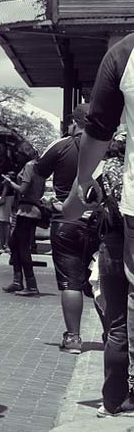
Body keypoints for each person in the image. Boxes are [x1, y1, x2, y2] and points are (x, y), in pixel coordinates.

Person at [65, 34, 134, 416]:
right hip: (120, 224)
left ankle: (114, 398)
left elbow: (97, 134)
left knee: (119, 319)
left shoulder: (124, 55)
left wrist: (80, 189)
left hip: (121, 224)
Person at [32, 104, 100, 353]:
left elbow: (36, 172)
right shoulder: (109, 147)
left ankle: (73, 338)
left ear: (75, 122)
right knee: (101, 281)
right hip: (99, 222)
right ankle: (112, 335)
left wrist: (42, 199)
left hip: (66, 221)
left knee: (71, 283)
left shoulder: (61, 146)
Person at [92, 131, 132, 416]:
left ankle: (112, 401)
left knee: (116, 324)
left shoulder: (105, 169)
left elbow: (86, 200)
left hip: (113, 243)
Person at [4, 158, 47, 295]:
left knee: (22, 247)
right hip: (31, 208)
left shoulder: (29, 166)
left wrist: (10, 183)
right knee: (14, 243)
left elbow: (23, 189)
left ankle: (31, 284)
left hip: (27, 209)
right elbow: (40, 192)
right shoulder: (41, 168)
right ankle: (18, 281)